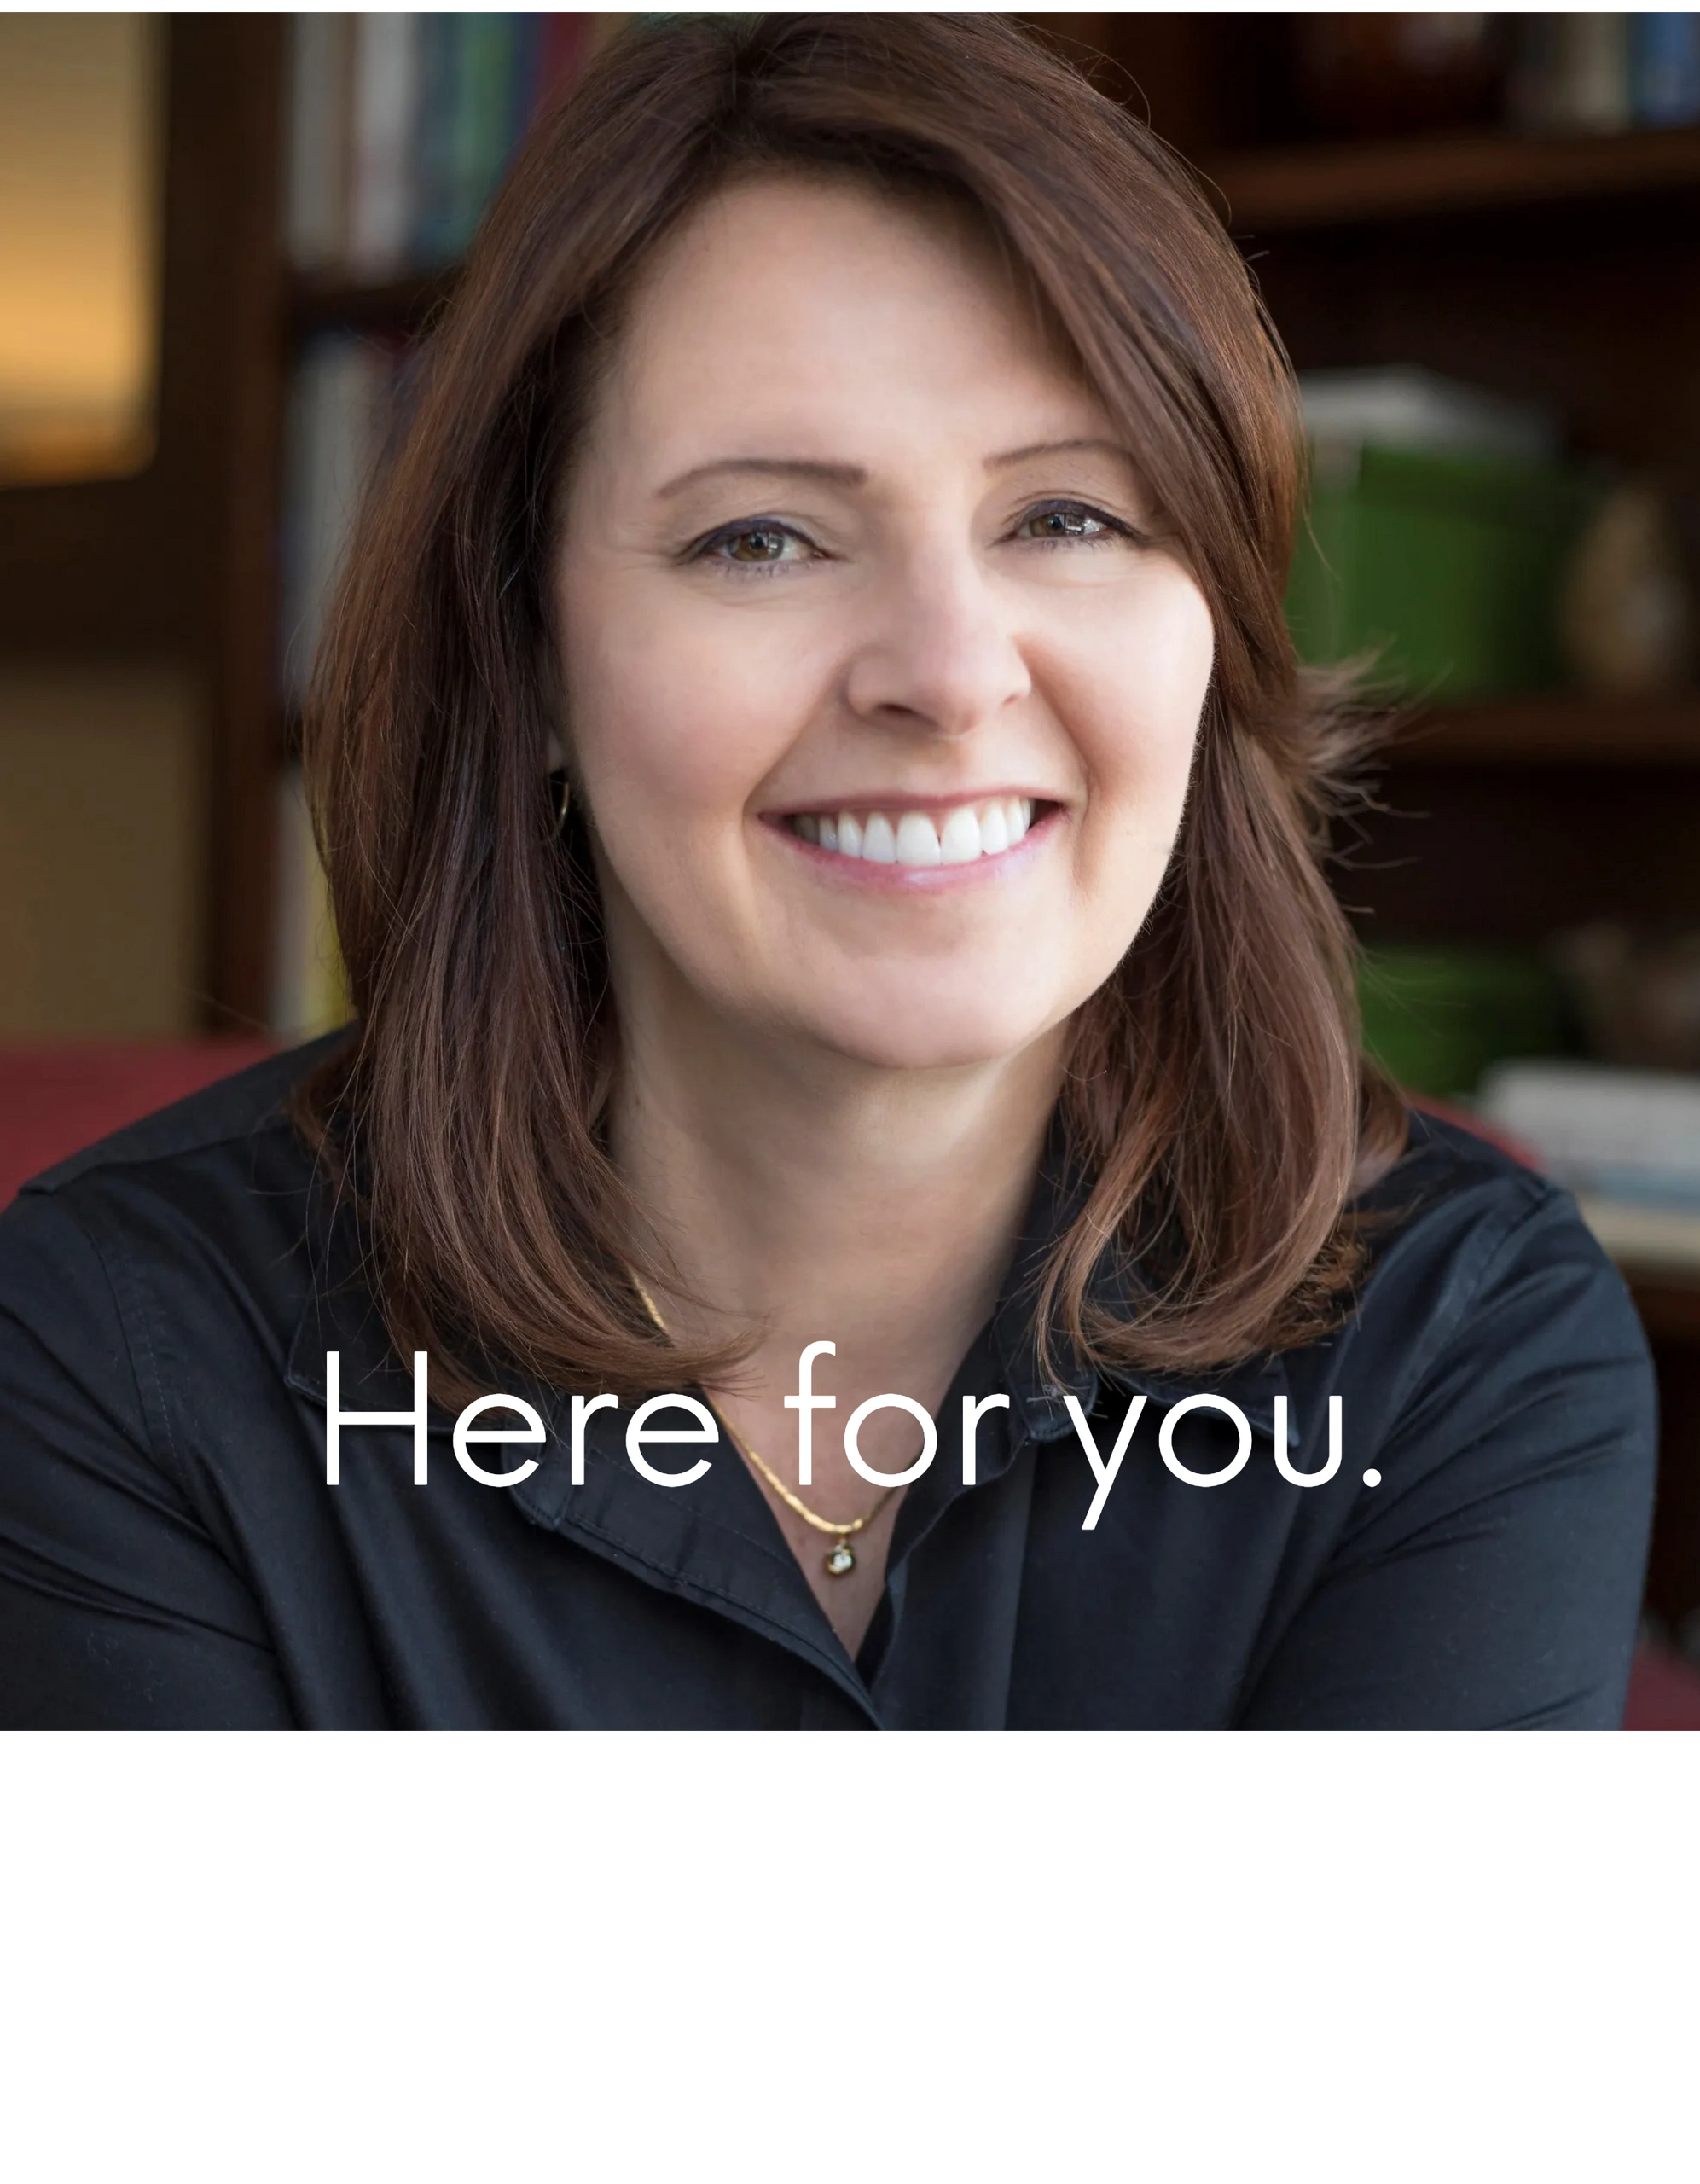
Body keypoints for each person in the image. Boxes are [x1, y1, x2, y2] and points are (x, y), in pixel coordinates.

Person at [0, 9, 1656, 1731]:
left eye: (1070, 516)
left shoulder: (1462, 1343)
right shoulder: (128, 1352)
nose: (948, 672)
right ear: (532, 651)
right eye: (763, 537)